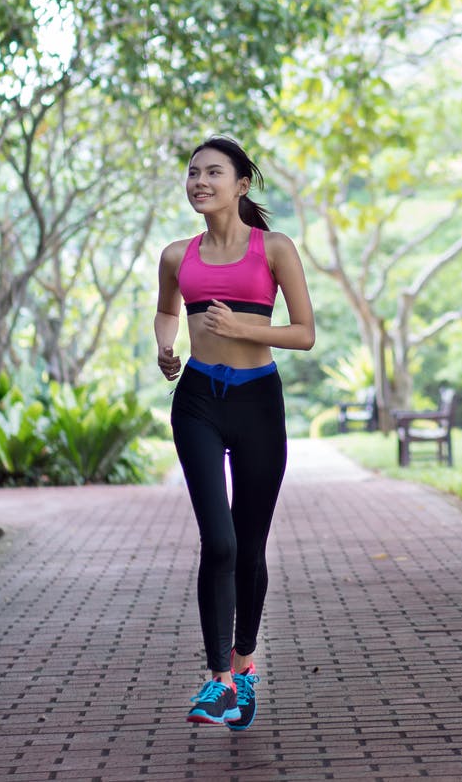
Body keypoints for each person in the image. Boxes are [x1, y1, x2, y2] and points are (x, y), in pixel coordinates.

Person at [155, 135, 315, 729]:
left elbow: (304, 333)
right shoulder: (178, 255)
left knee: (249, 546)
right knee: (217, 542)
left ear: (241, 184)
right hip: (197, 399)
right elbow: (168, 308)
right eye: (193, 172)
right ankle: (217, 678)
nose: (199, 181)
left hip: (257, 403)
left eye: (212, 172)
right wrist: (166, 344)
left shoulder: (273, 248)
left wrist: (245, 331)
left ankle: (244, 668)